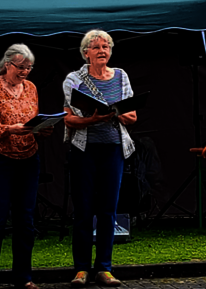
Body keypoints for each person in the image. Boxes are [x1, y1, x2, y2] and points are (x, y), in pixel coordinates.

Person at [62, 30, 138, 287]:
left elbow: (133, 116)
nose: (102, 51)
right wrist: (91, 120)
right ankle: (81, 269)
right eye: (96, 47)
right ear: (86, 53)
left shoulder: (121, 75)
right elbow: (69, 119)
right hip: (84, 150)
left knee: (108, 211)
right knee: (83, 210)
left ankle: (104, 268)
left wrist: (114, 113)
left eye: (106, 46)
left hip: (113, 149)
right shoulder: (74, 78)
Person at [0, 44, 53, 289]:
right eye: (21, 67)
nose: (25, 72)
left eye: (29, 68)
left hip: (28, 158)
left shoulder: (31, 88)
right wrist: (9, 129)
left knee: (25, 220)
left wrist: (43, 129)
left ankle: (23, 277)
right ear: (8, 64)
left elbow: (33, 119)